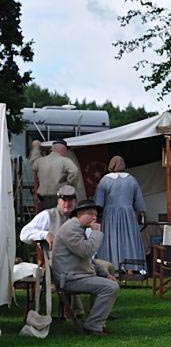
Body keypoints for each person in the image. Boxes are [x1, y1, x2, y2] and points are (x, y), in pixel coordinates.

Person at [51, 199, 120, 336]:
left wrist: (104, 274)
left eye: (95, 215)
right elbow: (87, 251)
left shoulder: (77, 227)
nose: (94, 218)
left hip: (76, 275)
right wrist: (96, 233)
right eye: (90, 214)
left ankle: (97, 323)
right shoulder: (71, 229)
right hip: (70, 278)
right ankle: (94, 326)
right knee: (110, 287)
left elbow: (86, 259)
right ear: (79, 214)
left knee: (108, 283)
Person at [94, 155, 146, 274]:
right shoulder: (131, 179)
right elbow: (139, 203)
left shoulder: (105, 180)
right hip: (128, 214)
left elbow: (98, 203)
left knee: (110, 238)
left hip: (110, 215)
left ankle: (111, 266)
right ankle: (131, 267)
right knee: (129, 239)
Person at [32, 139, 79, 211]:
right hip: (59, 198)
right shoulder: (64, 161)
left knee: (45, 220)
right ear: (63, 149)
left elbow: (33, 162)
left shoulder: (41, 161)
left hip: (42, 199)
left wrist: (36, 147)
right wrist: (70, 186)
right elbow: (74, 171)